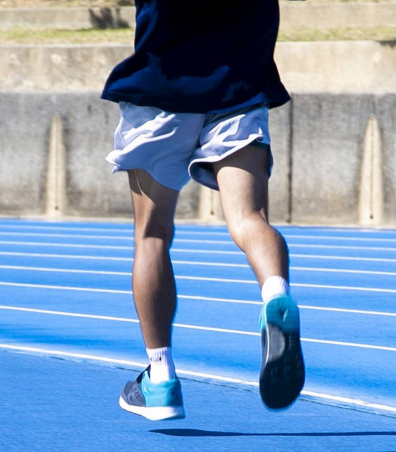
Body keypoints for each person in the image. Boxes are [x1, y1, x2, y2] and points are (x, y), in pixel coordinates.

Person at [101, 0, 304, 421]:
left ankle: (160, 379)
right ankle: (276, 295)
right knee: (249, 219)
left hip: (162, 91)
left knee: (152, 233)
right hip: (238, 92)